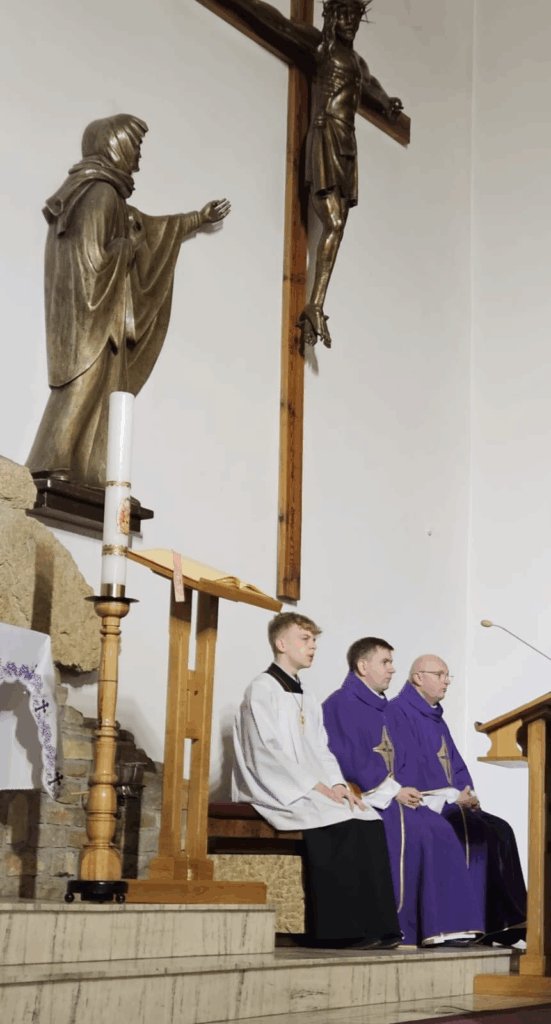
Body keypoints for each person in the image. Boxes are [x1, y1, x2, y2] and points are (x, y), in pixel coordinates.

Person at [27, 114, 230, 489]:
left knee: (107, 395)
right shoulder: (100, 193)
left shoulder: (106, 195)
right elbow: (92, 258)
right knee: (84, 387)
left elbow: (153, 229)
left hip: (105, 315)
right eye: (135, 146)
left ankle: (90, 470)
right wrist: (127, 248)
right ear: (115, 144)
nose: (138, 157)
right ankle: (49, 461)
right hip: (93, 315)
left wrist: (197, 218)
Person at [232, 612, 401, 948]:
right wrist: (313, 786)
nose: (313, 647)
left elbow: (321, 749)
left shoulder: (307, 696)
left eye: (314, 640)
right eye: (305, 639)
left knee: (367, 818)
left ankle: (379, 928)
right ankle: (340, 933)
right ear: (281, 644)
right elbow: (265, 750)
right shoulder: (261, 689)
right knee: (339, 822)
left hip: (312, 786)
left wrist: (337, 784)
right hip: (276, 787)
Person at [323, 638, 484, 947]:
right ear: (362, 666)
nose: (392, 669)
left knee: (439, 824)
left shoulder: (382, 707)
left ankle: (446, 925)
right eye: (385, 662)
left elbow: (409, 759)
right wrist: (393, 790)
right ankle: (410, 925)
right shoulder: (341, 703)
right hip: (365, 795)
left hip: (389, 793)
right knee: (429, 826)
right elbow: (348, 757)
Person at [386, 654, 527, 946]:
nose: (446, 681)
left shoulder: (435, 718)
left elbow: (455, 764)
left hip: (449, 800)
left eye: (448, 675)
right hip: (423, 802)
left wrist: (468, 794)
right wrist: (452, 796)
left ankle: (505, 921)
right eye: (439, 674)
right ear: (418, 677)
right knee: (470, 828)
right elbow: (407, 767)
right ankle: (464, 924)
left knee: (500, 829)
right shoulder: (398, 713)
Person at [299, 0, 402, 348]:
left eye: (355, 16)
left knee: (339, 225)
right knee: (334, 224)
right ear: (330, 15)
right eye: (342, 14)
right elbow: (279, 25)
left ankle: (316, 305)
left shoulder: (357, 62)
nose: (349, 21)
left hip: (347, 142)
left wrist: (387, 102)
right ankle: (315, 305)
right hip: (326, 133)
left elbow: (370, 84)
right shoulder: (323, 48)